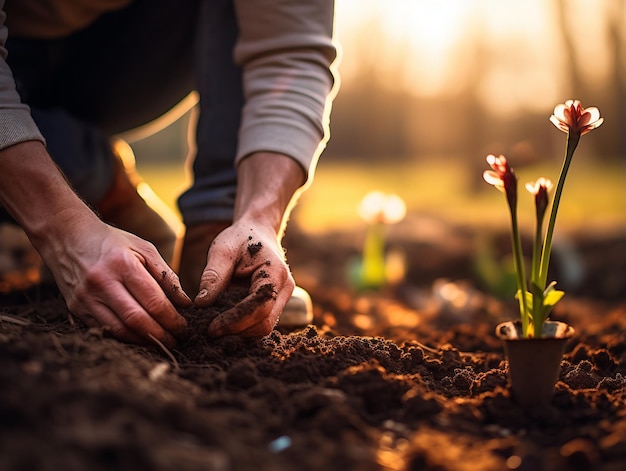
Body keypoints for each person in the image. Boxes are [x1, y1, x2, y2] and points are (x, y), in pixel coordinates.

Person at [0, 0, 338, 347]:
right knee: (60, 161)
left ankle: (221, 239)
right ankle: (105, 190)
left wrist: (259, 217)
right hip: (15, 48)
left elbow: (291, 55)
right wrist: (63, 229)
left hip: (118, 54)